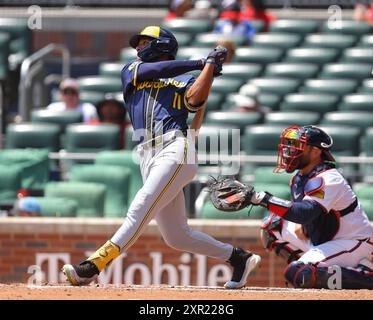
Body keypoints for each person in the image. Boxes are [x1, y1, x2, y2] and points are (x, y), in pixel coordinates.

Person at [62, 25, 261, 289]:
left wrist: (208, 70)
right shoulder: (133, 70)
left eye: (144, 42)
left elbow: (194, 100)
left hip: (175, 149)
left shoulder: (186, 80)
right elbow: (156, 71)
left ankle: (94, 265)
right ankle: (238, 258)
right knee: (177, 236)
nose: (138, 48)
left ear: (162, 45)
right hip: (146, 154)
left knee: (140, 206)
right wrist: (202, 61)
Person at [215, 125, 373, 289]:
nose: (290, 150)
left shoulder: (329, 178)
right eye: (290, 144)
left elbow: (305, 213)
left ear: (316, 151)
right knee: (272, 226)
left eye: (299, 146)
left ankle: (365, 277)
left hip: (353, 242)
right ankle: (313, 267)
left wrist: (262, 198)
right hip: (325, 240)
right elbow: (303, 215)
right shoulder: (298, 178)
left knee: (298, 273)